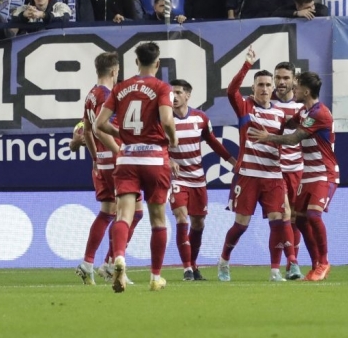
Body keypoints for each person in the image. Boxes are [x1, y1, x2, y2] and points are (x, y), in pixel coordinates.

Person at [95, 42, 178, 293]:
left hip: (127, 157)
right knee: (158, 219)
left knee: (123, 215)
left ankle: (119, 257)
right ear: (158, 63)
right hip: (154, 159)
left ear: (136, 62)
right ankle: (155, 277)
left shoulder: (120, 88)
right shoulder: (162, 87)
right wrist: (172, 139)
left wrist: (120, 132)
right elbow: (166, 120)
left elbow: (100, 123)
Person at [249, 71, 339, 282]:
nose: (292, 89)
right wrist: (264, 111)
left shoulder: (320, 113)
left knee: (314, 216)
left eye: (296, 86)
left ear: (306, 91)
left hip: (324, 173)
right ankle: (316, 263)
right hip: (308, 175)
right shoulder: (304, 112)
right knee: (299, 220)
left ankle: (324, 262)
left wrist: (267, 137)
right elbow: (288, 123)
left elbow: (293, 138)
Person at [217, 46, 294, 282]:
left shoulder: (281, 115)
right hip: (248, 174)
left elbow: (289, 138)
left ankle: (274, 270)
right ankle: (224, 261)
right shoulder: (246, 107)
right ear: (254, 88)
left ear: (273, 89)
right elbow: (231, 91)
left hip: (272, 176)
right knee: (241, 224)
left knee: (278, 221)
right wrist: (246, 65)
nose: (264, 89)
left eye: (267, 85)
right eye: (260, 85)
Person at [71, 52, 144, 286]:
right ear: (114, 71)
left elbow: (88, 130)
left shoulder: (91, 94)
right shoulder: (106, 94)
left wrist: (94, 157)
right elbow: (101, 129)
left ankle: (89, 263)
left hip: (101, 161)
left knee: (107, 212)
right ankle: (111, 262)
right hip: (116, 161)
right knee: (136, 212)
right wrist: (120, 152)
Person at [168, 79, 236, 281]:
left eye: (179, 92)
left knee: (198, 224)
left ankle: (194, 265)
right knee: (181, 218)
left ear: (188, 95)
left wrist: (232, 161)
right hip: (177, 180)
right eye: (172, 93)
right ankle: (187, 268)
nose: (175, 97)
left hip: (198, 179)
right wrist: (169, 159)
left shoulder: (200, 118)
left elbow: (213, 142)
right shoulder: (164, 119)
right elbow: (158, 145)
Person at [270, 62, 304, 280]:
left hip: (298, 169)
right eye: (278, 78)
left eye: (285, 78)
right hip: (275, 170)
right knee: (283, 215)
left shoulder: (302, 106)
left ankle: (290, 263)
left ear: (294, 80)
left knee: (296, 219)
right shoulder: (266, 103)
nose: (281, 82)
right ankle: (289, 264)